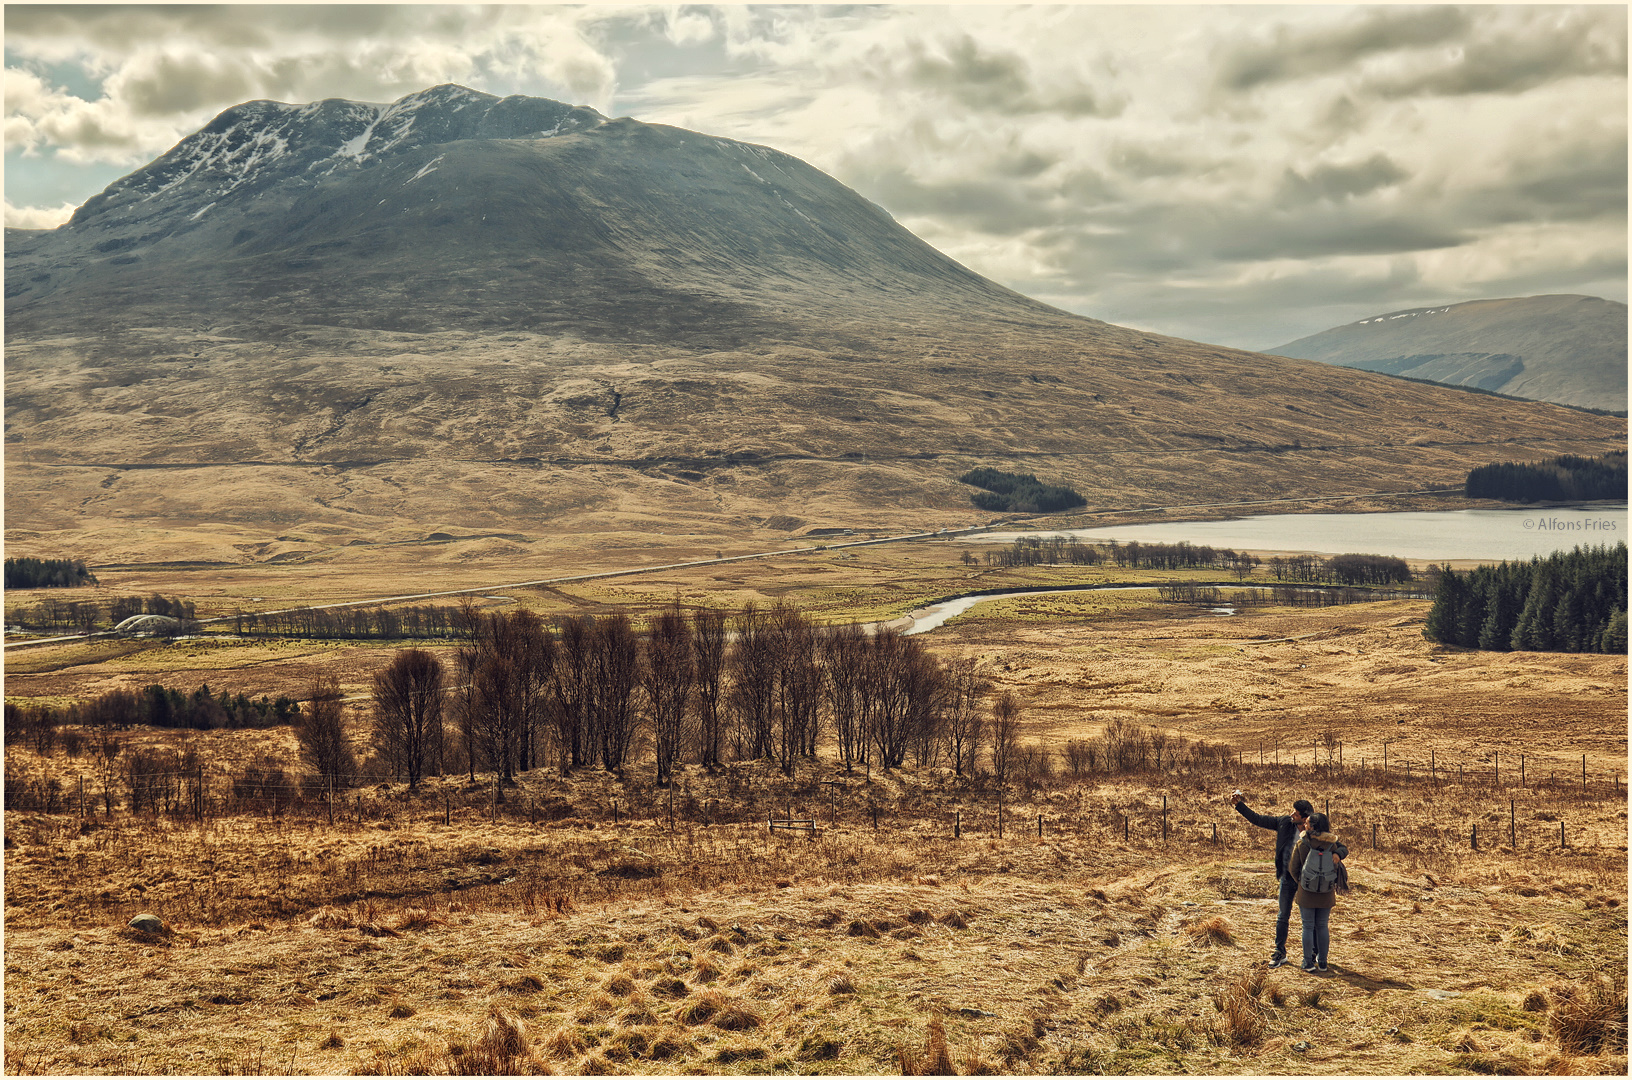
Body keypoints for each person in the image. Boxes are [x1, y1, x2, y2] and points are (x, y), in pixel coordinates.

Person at [1232, 794, 1314, 967]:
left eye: (1296, 813)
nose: (1292, 814)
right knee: (1282, 916)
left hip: (1306, 881)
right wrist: (1239, 805)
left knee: (1309, 919)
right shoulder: (1284, 822)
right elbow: (1258, 819)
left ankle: (1313, 954)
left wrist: (1338, 855)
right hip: (1286, 878)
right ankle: (1279, 952)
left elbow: (1335, 845)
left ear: (1305, 818)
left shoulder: (1316, 830)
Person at [1288, 812, 1346, 973]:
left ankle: (1307, 962)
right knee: (1322, 926)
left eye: (1307, 823)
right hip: (1326, 892)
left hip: (1306, 891)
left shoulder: (1302, 843)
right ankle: (1323, 962)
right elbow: (1343, 852)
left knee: (1307, 926)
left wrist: (1302, 882)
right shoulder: (1332, 845)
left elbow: (1293, 868)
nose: (1304, 825)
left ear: (1312, 827)